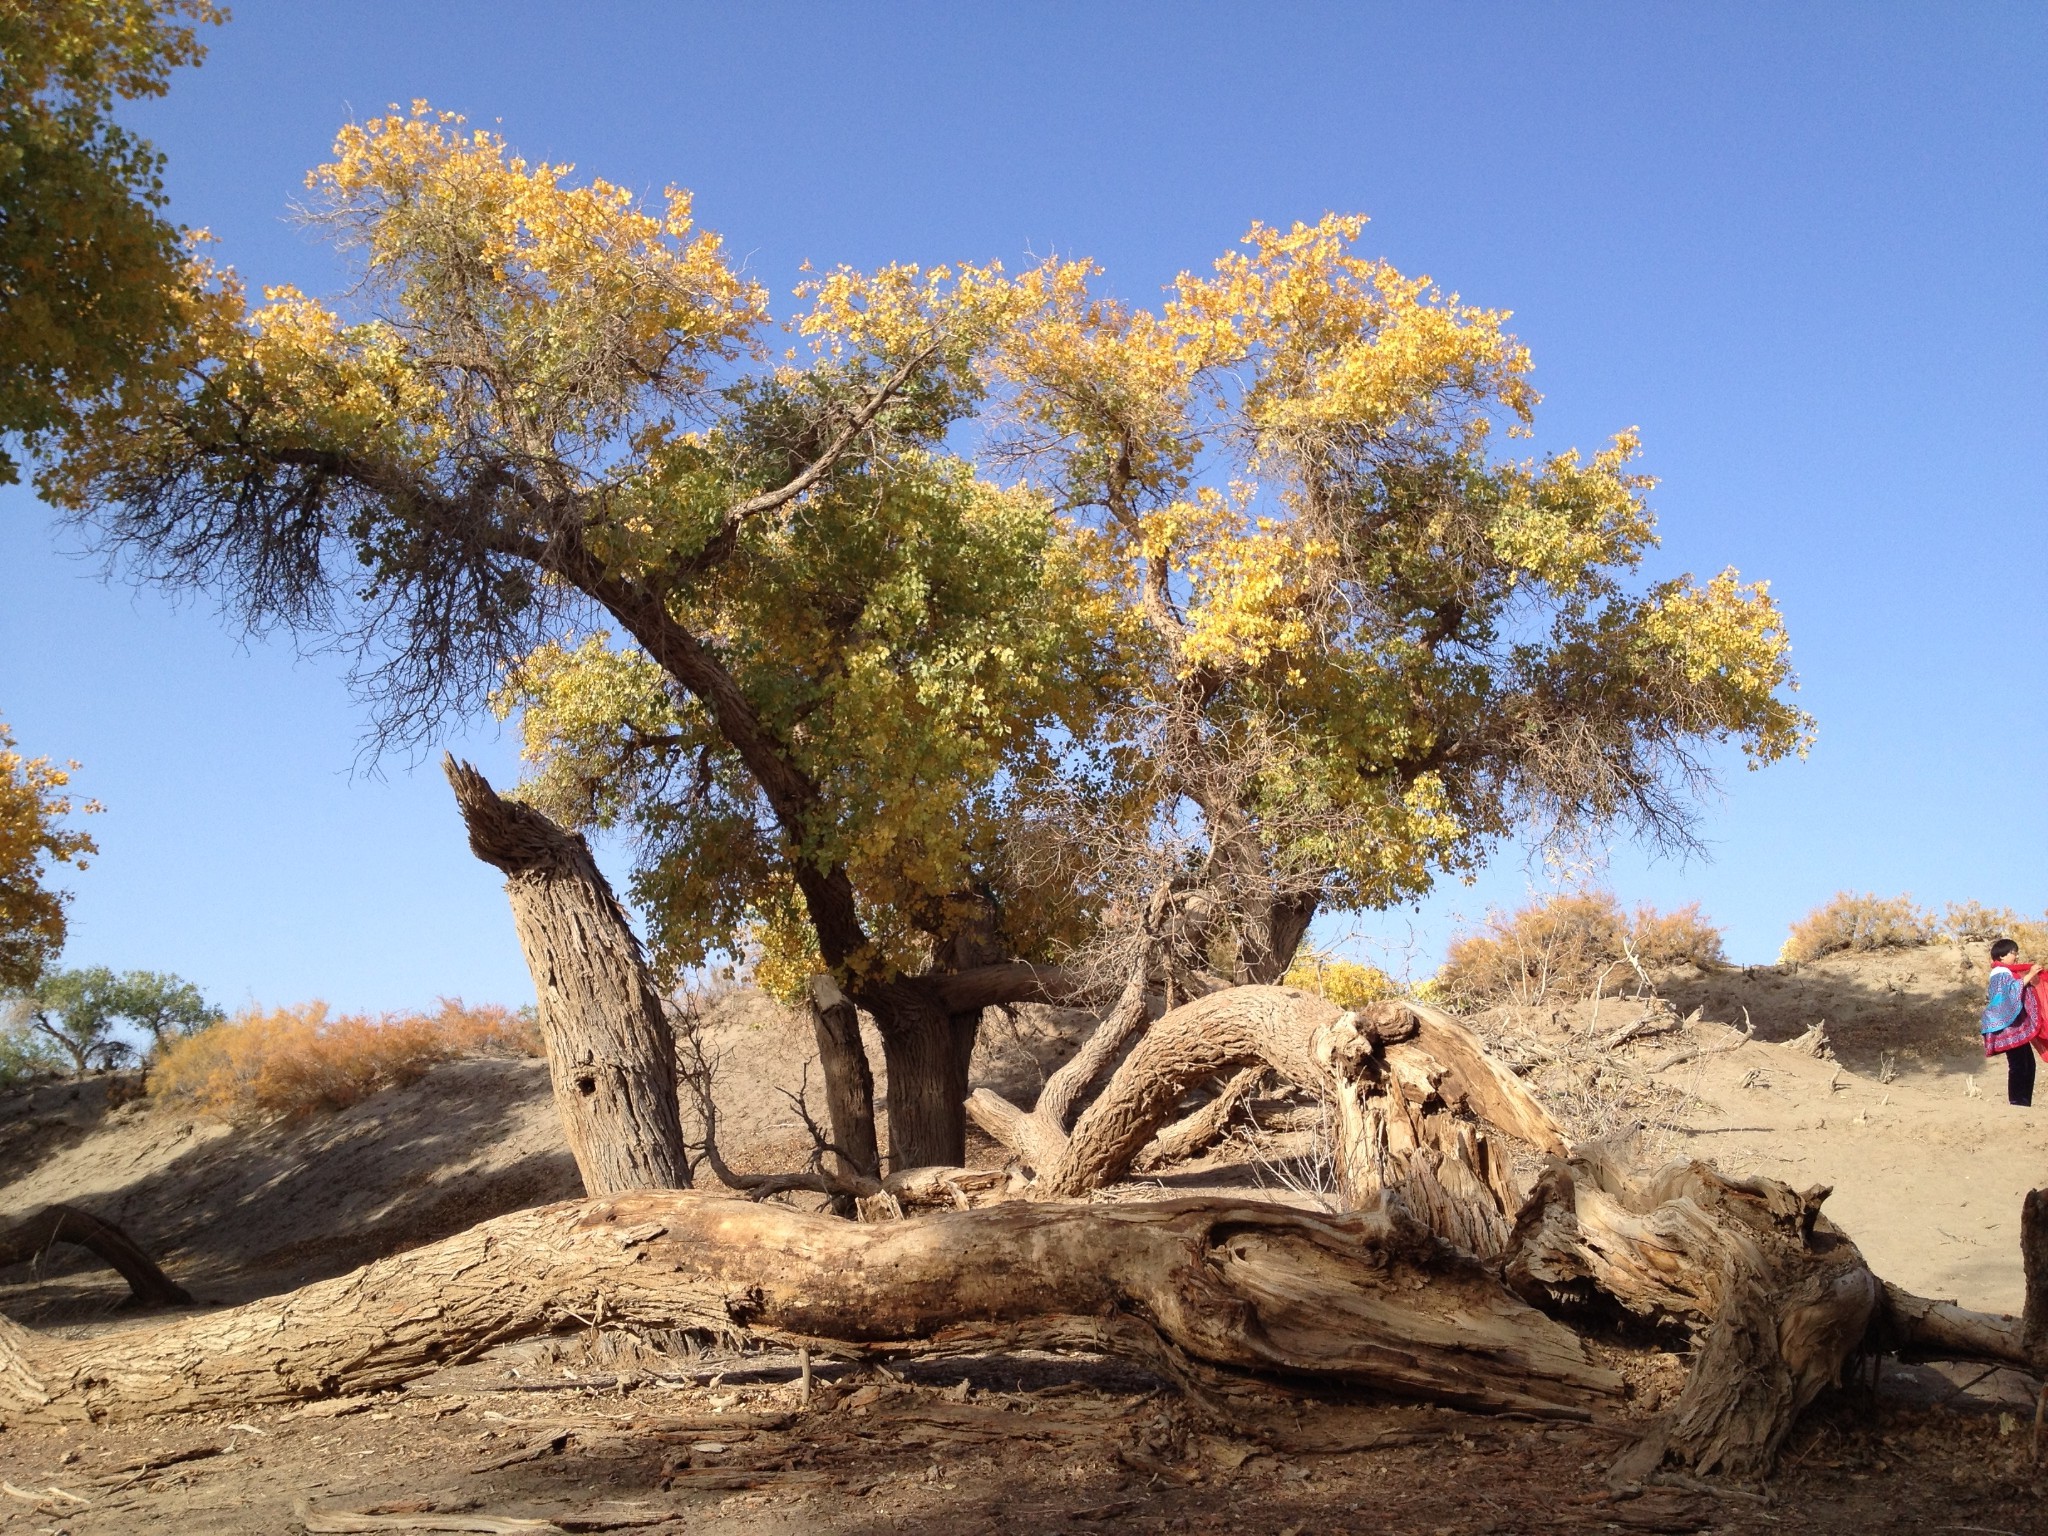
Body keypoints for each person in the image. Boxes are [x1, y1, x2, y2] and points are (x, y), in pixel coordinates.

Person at [1982, 938, 2042, 1107]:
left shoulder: (2006, 971)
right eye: (2013, 953)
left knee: (2027, 1064)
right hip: (2006, 1025)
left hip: (2010, 1024)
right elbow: (2007, 993)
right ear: (2001, 956)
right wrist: (2030, 975)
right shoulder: (1999, 972)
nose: (2016, 956)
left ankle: (2023, 1102)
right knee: (2019, 1064)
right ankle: (2017, 1102)